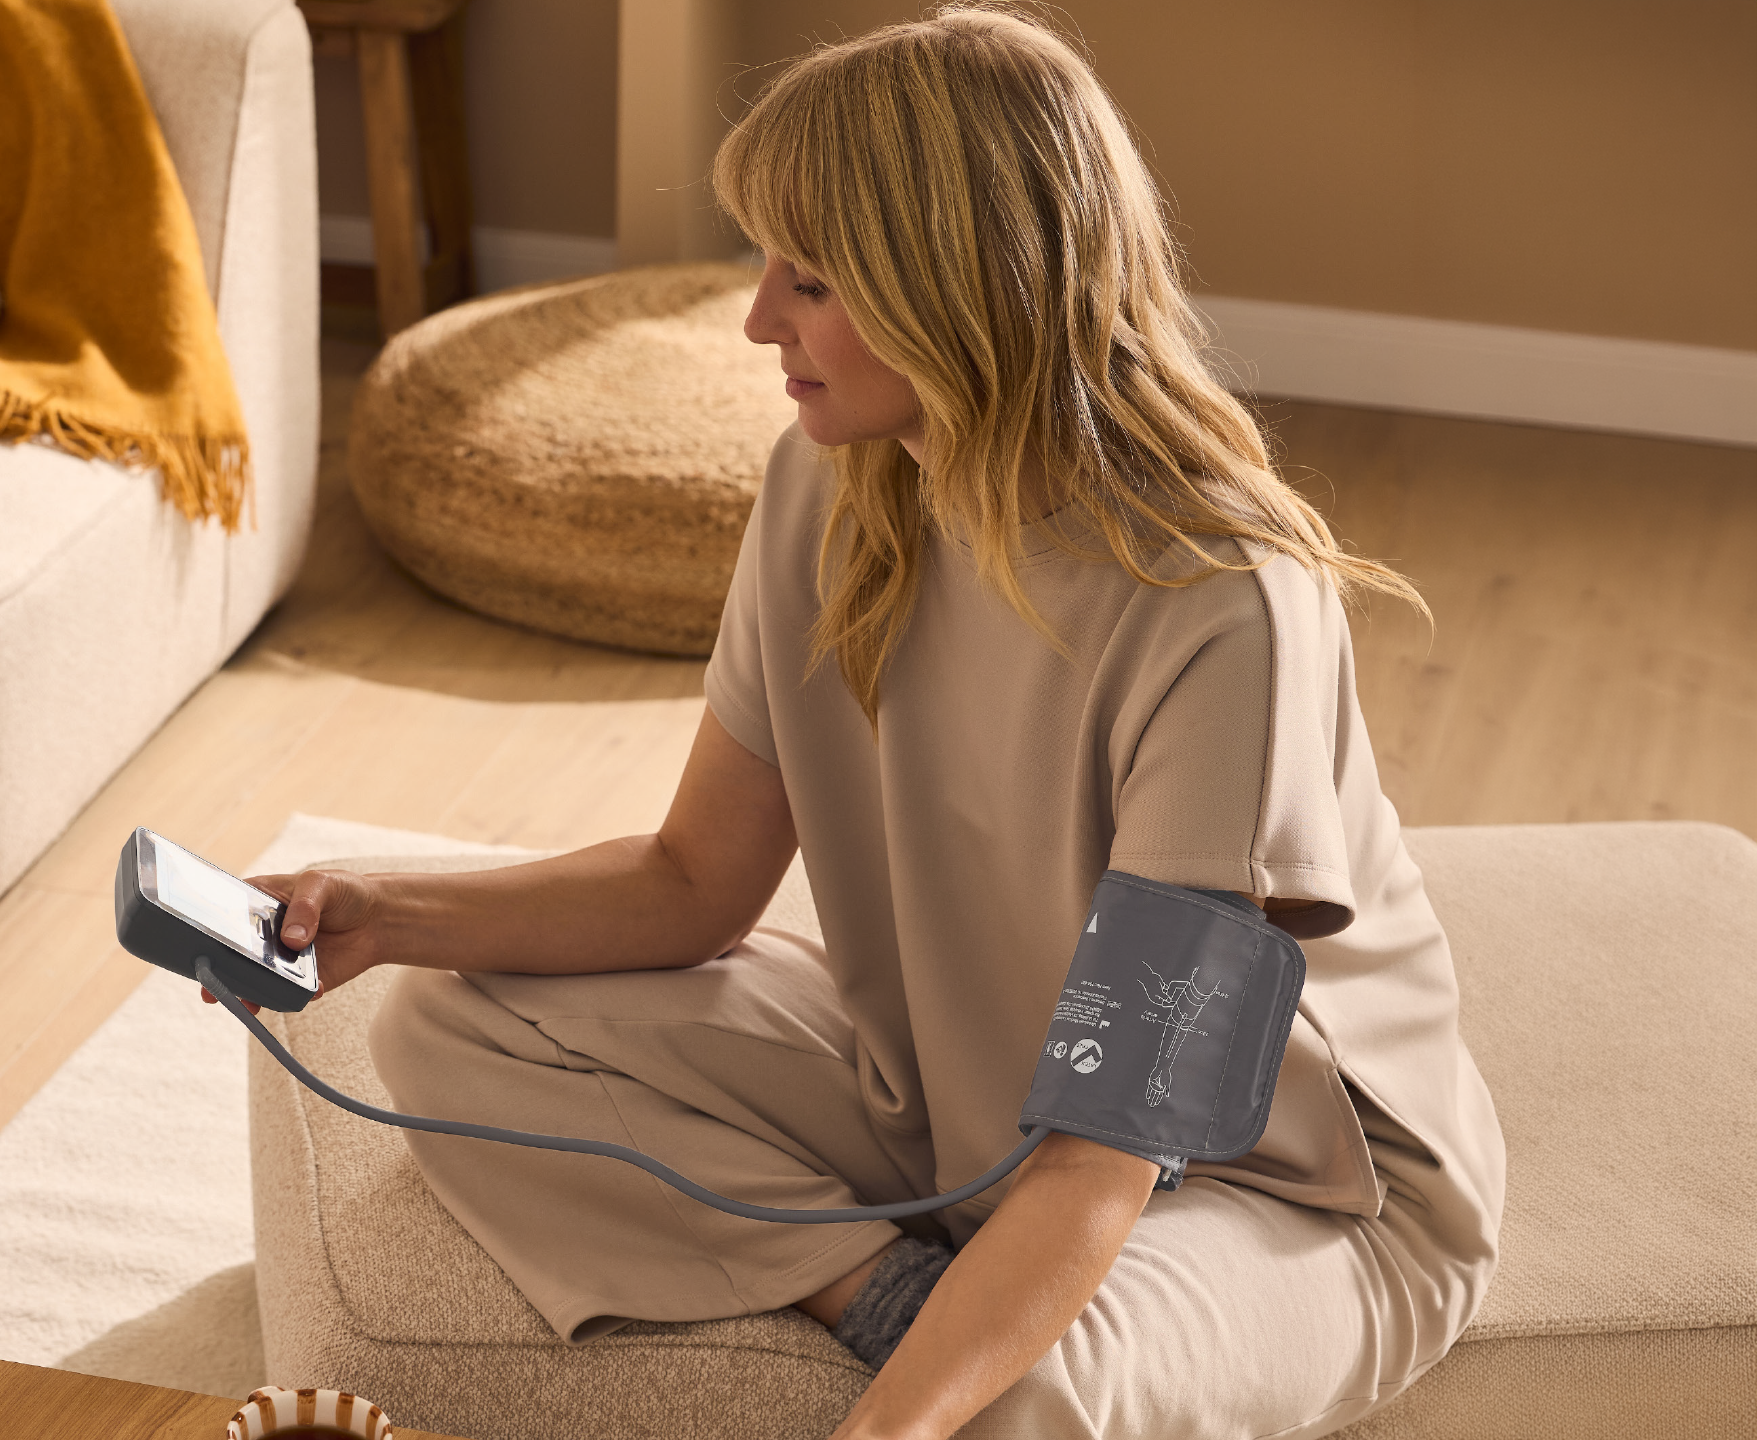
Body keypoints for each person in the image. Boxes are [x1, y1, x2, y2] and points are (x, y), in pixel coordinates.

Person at [210, 7, 1505, 1436]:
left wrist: (883, 1426)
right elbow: (692, 884)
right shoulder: (827, 484)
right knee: (448, 1031)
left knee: (1017, 1413)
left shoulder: (1219, 607)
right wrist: (382, 912)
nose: (759, 319)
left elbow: (1108, 1152)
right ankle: (880, 1287)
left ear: (961, 290)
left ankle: (933, 1318)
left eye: (811, 282)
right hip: (953, 1099)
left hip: (1275, 1184)